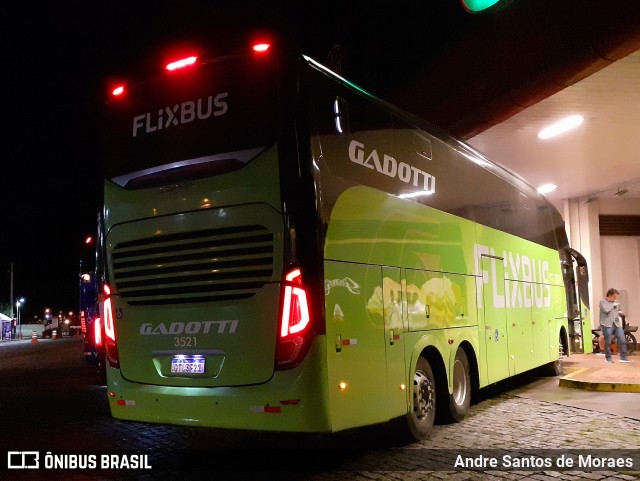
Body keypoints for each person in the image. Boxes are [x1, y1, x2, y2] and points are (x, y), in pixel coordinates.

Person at [598, 288, 631, 363]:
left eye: (616, 297)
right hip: (606, 324)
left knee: (622, 339)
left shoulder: (616, 303)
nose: (615, 298)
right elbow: (606, 310)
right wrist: (613, 305)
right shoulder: (602, 302)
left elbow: (619, 310)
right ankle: (608, 358)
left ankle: (623, 357)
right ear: (609, 295)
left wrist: (620, 312)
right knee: (608, 341)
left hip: (616, 324)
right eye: (614, 297)